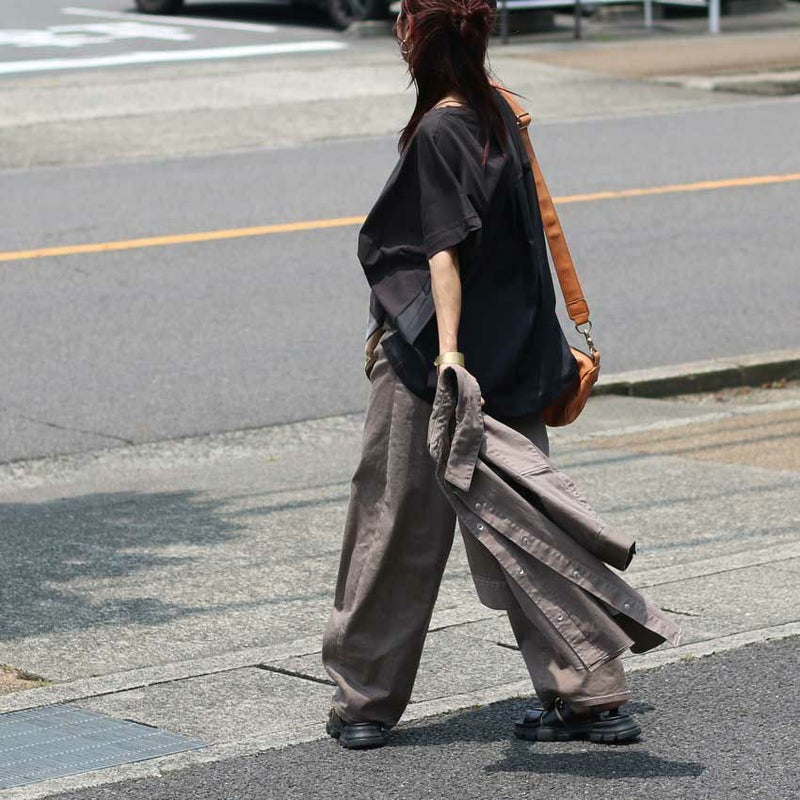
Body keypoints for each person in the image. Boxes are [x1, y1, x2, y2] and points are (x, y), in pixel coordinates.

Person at [322, 0, 641, 749]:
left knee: (393, 527)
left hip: (435, 369)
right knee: (532, 531)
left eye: (402, 15)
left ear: (414, 34)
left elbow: (440, 253)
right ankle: (588, 694)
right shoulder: (500, 113)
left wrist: (447, 358)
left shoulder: (440, 129)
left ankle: (363, 701)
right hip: (515, 360)